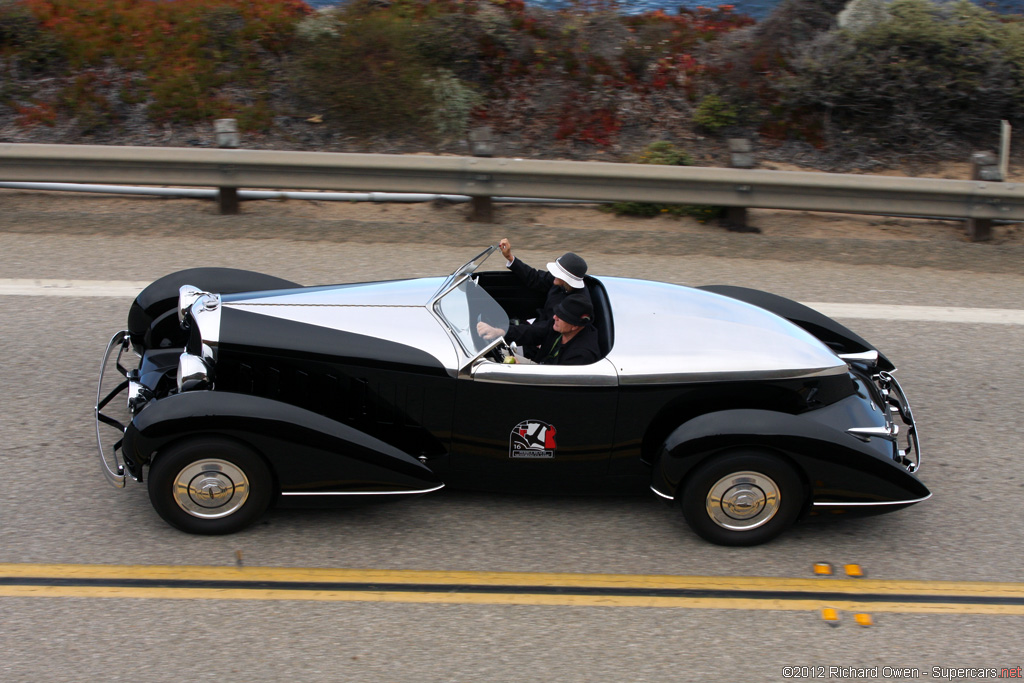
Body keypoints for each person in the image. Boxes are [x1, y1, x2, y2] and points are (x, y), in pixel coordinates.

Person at [476, 238, 590, 343]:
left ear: (567, 280)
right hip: (537, 324)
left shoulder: (575, 304)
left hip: (546, 338)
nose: (553, 275)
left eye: (558, 273)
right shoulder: (559, 282)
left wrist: (502, 332)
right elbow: (535, 278)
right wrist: (510, 257)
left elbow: (546, 329)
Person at [513, 294, 600, 366]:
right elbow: (532, 331)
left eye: (561, 316)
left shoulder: (580, 356)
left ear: (574, 326)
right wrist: (502, 331)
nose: (555, 317)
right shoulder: (560, 326)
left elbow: (558, 382)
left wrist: (520, 367)